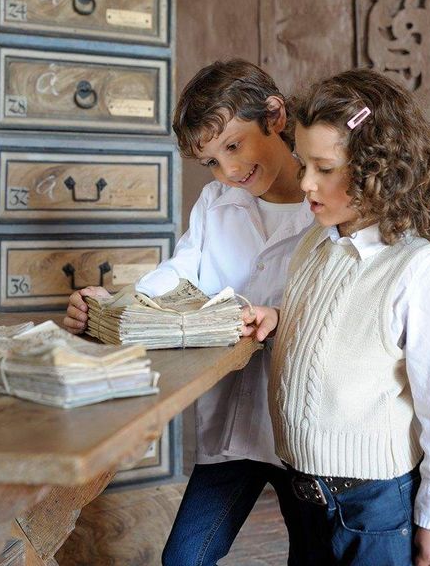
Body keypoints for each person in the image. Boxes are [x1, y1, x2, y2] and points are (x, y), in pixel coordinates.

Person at [63, 59, 313, 565]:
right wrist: (113, 307)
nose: (229, 171)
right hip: (232, 432)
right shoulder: (218, 202)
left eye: (234, 146)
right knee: (184, 558)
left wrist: (282, 316)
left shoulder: (327, 203)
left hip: (300, 434)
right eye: (212, 161)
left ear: (275, 115)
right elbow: (179, 276)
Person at [243, 68, 430, 566]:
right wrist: (280, 318)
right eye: (303, 164)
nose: (305, 183)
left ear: (375, 169)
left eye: (324, 168)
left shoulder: (417, 271)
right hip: (305, 493)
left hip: (374, 505)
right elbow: (338, 327)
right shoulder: (313, 245)